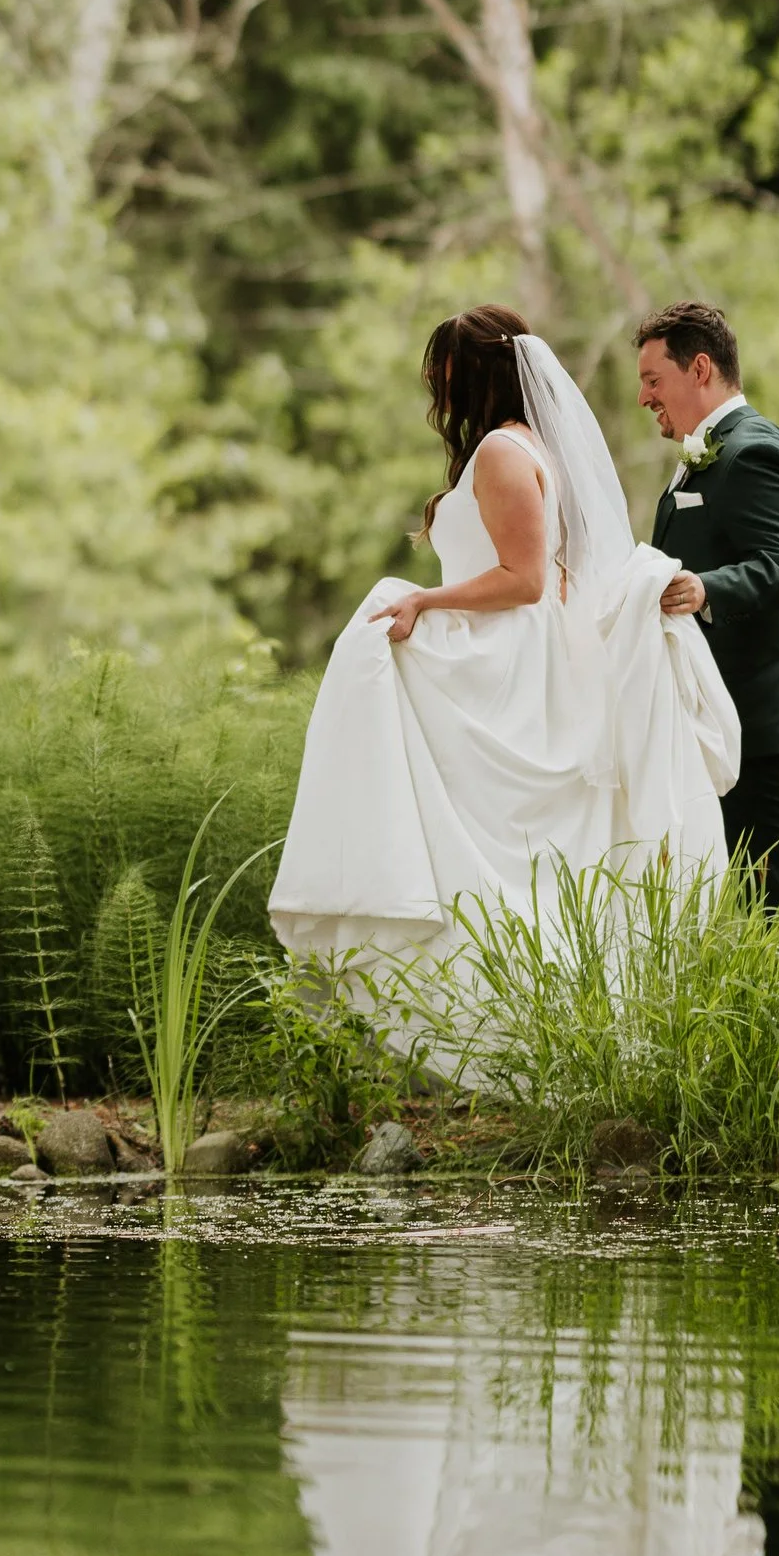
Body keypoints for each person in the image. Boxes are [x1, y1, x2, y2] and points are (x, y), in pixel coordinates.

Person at [268, 304, 738, 1023]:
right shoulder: (522, 447)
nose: (435, 390)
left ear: (471, 373)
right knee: (478, 835)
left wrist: (427, 600)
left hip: (508, 658)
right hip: (512, 649)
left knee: (382, 644)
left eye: (441, 374)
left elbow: (525, 580)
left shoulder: (501, 453)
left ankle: (407, 936)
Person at [637, 298, 779, 913]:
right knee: (745, 892)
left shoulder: (753, 450)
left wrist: (705, 588)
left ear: (698, 370)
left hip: (758, 707)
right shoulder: (704, 454)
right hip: (719, 710)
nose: (644, 397)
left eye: (652, 380)